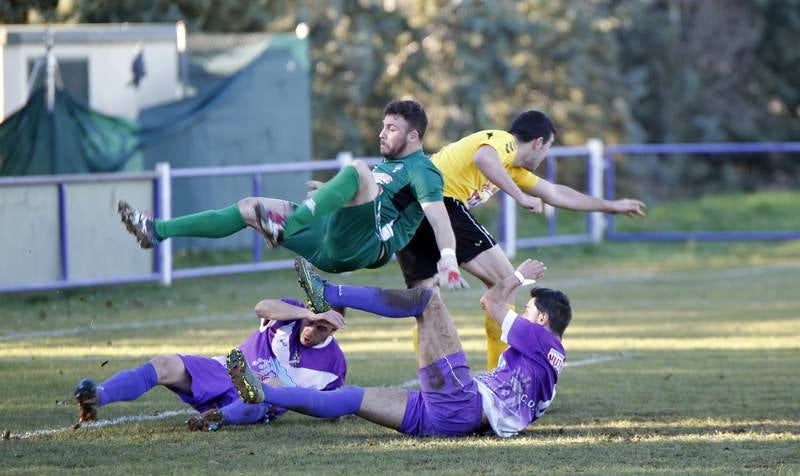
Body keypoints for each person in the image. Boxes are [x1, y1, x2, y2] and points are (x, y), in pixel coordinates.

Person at [118, 99, 466, 287]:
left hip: (367, 245)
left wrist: (448, 259)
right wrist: (332, 193)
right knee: (249, 207)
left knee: (358, 169)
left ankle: (286, 225)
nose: (381, 133)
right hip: (331, 238)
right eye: (383, 126)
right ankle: (156, 230)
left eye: (391, 128)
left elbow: (438, 219)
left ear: (413, 136)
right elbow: (367, 200)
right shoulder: (390, 166)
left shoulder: (423, 170)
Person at [396, 110, 645, 369]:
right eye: (548, 147)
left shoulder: (512, 169)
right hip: (439, 202)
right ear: (538, 142)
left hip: (408, 209)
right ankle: (498, 376)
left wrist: (611, 206)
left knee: (426, 303)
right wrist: (521, 197)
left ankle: (434, 383)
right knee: (506, 283)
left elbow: (555, 193)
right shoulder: (504, 141)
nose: (546, 154)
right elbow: (483, 158)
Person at [226, 256, 570, 438]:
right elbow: (493, 304)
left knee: (428, 301)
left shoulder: (540, 338)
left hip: (463, 402)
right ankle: (265, 393)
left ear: (542, 319)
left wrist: (519, 276)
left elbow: (490, 302)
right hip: (454, 420)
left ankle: (328, 293)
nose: (523, 315)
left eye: (528, 311)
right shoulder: (551, 363)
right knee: (351, 398)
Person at [73, 297, 347, 431]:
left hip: (257, 400)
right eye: (311, 322)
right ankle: (97, 397)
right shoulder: (292, 314)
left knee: (268, 387)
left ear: (334, 330)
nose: (311, 330)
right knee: (164, 364)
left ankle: (216, 419)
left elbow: (330, 405)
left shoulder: (334, 364)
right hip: (222, 371)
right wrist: (306, 312)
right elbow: (261, 307)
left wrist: (343, 408)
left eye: (321, 328)